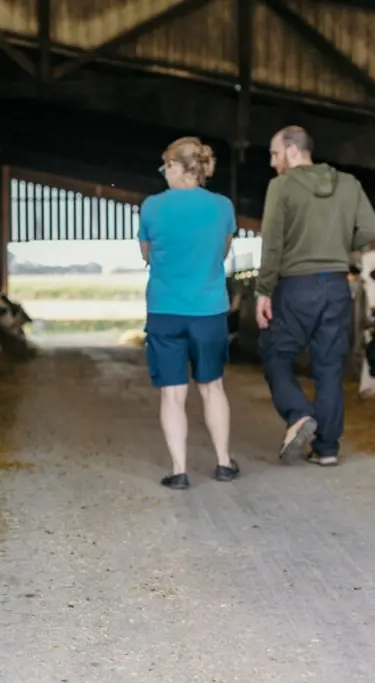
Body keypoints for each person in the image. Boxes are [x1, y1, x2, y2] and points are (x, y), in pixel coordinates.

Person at [255, 125, 375, 466]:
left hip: (296, 286)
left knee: (275, 354)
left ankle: (298, 414)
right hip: (337, 286)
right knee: (328, 366)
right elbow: (371, 231)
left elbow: (273, 245)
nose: (272, 162)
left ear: (293, 150)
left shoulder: (281, 187)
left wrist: (263, 290)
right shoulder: (349, 184)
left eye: (275, 154)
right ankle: (326, 448)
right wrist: (340, 246)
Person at [138, 136, 240, 490]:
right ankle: (224, 463)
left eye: (167, 165)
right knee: (212, 386)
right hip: (209, 309)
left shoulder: (151, 207)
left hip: (165, 310)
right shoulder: (223, 206)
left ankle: (179, 470)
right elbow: (222, 253)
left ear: (182, 168)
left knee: (172, 393)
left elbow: (147, 255)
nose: (164, 172)